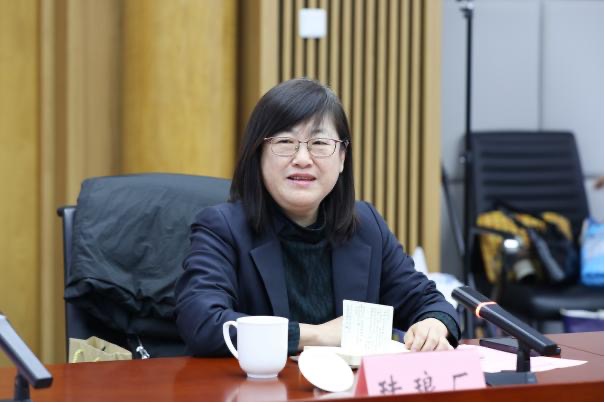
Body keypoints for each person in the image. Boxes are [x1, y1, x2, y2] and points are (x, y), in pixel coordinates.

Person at [175, 78, 460, 357]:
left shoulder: (366, 225)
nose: (302, 158)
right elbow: (203, 322)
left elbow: (429, 302)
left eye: (319, 143)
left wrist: (434, 325)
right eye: (285, 142)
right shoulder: (222, 228)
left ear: (342, 157)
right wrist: (316, 335)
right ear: (258, 154)